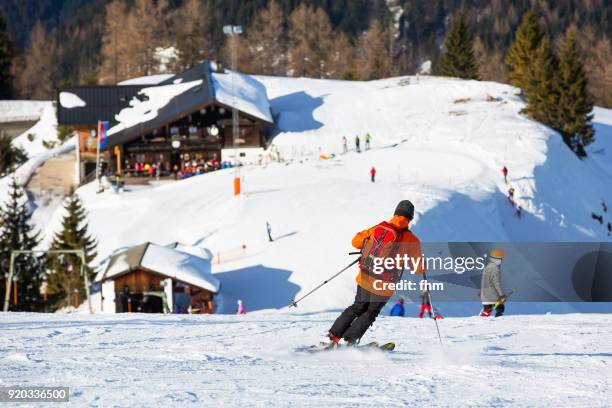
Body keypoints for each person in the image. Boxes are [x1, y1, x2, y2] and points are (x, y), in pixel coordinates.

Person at [327, 200, 424, 346]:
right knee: (370, 312)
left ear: (395, 213)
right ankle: (348, 341)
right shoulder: (412, 240)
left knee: (357, 306)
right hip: (384, 283)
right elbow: (417, 267)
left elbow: (355, 242)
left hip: (365, 276)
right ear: (410, 218)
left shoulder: (380, 227)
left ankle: (332, 337)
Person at [480, 248, 506, 317]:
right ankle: (498, 325)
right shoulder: (495, 269)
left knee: (487, 311)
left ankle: (482, 323)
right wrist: (502, 295)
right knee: (501, 309)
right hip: (493, 296)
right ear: (497, 259)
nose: (502, 260)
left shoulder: (487, 268)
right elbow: (496, 283)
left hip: (484, 295)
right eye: (501, 258)